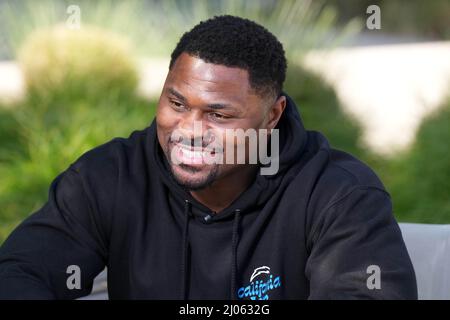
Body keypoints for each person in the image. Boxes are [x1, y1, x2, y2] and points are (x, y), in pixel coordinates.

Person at [0, 15, 417, 300]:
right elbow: (19, 273)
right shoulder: (109, 177)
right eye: (177, 103)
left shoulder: (338, 194)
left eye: (218, 114)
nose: (189, 131)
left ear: (272, 116)